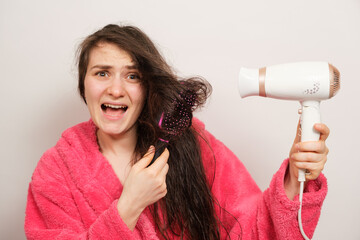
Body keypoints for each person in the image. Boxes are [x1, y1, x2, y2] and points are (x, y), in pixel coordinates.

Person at [24, 24, 329, 240]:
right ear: (84, 85)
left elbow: (252, 229)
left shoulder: (191, 143)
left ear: (147, 88)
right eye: (101, 73)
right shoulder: (56, 172)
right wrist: (129, 205)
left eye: (132, 76)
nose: (115, 89)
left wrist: (296, 179)